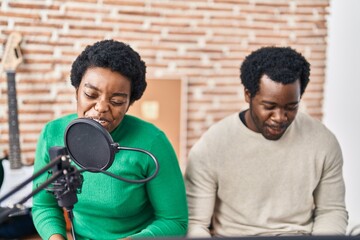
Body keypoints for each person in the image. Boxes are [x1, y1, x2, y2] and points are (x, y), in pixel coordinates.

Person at [32, 39, 188, 240]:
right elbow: (43, 205)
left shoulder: (152, 143)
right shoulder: (52, 133)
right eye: (90, 94)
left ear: (130, 103)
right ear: (77, 91)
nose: (101, 107)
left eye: (117, 101)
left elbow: (175, 221)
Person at [184, 46, 348, 237]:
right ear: (248, 95)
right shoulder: (211, 146)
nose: (280, 117)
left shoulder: (322, 141)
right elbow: (196, 223)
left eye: (291, 107)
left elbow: (331, 211)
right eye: (269, 106)